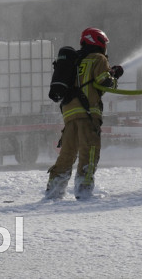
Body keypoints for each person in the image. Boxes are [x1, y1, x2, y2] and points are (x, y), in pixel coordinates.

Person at [45, 27, 123, 199]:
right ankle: (84, 191)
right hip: (87, 114)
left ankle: (53, 191)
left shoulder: (75, 61)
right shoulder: (98, 58)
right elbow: (104, 82)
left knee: (67, 155)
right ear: (99, 42)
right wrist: (115, 75)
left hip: (69, 116)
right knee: (90, 152)